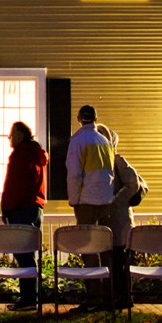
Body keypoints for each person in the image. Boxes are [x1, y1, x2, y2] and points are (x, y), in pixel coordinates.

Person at [65, 104, 115, 310]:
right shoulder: (105, 141)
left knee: (88, 249)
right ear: (96, 119)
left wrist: (74, 200)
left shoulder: (77, 141)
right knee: (105, 249)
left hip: (86, 200)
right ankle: (108, 296)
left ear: (79, 118)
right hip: (106, 201)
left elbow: (74, 173)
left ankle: (94, 296)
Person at [0, 121, 48, 311]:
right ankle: (30, 297)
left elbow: (15, 184)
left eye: (11, 135)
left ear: (20, 135)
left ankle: (28, 299)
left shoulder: (21, 154)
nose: (9, 139)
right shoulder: (37, 154)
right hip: (36, 208)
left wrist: (7, 208)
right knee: (29, 255)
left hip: (22, 209)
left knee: (23, 254)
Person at [97, 124, 143, 310]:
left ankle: (123, 298)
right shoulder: (96, 163)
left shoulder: (117, 160)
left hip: (119, 219)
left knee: (119, 260)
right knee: (108, 260)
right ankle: (110, 297)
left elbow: (133, 183)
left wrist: (116, 200)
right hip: (105, 220)